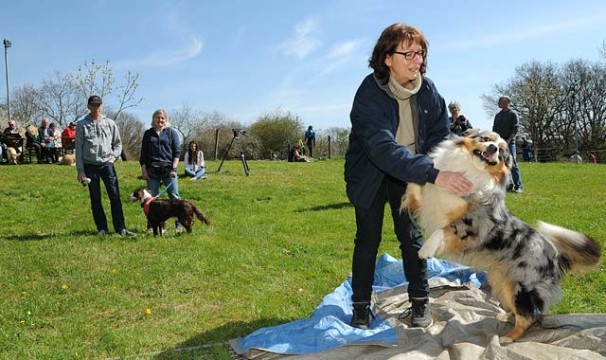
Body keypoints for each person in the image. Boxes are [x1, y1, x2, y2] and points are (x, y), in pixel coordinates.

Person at [344, 23, 472, 330]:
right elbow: (383, 149)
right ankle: (360, 308)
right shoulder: (368, 93)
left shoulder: (428, 91)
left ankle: (420, 303)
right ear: (387, 58)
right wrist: (432, 174)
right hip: (372, 174)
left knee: (412, 237)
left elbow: (439, 137)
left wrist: (434, 171)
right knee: (368, 239)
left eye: (421, 53)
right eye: (409, 53)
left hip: (411, 175)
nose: (418, 60)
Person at [75, 95, 135, 237]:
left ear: (102, 106)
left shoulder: (110, 123)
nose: (96, 108)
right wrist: (80, 171)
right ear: (89, 106)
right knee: (95, 199)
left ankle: (121, 228)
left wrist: (112, 158)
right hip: (90, 165)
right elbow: (78, 149)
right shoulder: (81, 125)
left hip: (107, 164)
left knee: (115, 196)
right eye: (93, 105)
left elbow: (118, 144)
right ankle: (102, 228)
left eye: (99, 105)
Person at [139, 109, 183, 233]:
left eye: (163, 118)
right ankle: (152, 226)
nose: (160, 120)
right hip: (152, 170)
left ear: (166, 120)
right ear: (153, 119)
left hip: (168, 169)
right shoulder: (148, 134)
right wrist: (144, 171)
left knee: (174, 197)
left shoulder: (171, 133)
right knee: (151, 200)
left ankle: (179, 224)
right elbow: (143, 154)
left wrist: (174, 168)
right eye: (158, 117)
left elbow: (177, 152)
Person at [492, 96, 523, 193]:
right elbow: (494, 128)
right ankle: (508, 184)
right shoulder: (498, 115)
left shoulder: (513, 114)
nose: (498, 103)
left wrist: (509, 140)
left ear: (506, 102)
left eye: (500, 101)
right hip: (499, 143)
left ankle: (518, 186)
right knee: (502, 164)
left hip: (509, 143)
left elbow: (515, 129)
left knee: (512, 164)